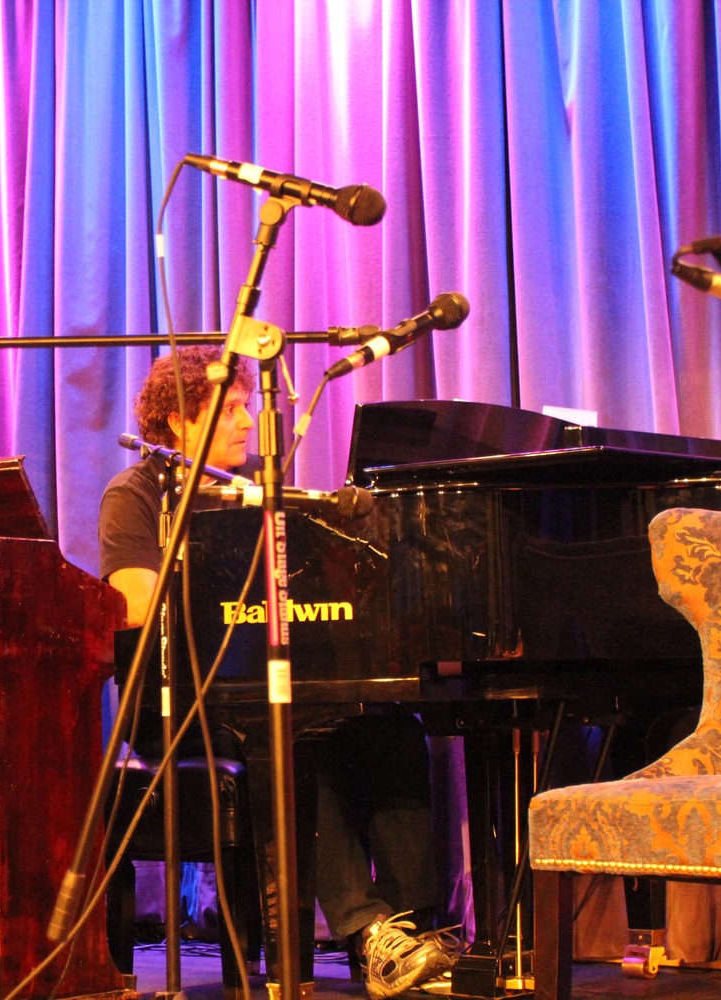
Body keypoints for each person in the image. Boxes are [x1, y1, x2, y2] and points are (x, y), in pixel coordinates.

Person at [96, 346, 456, 1000]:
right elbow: (138, 605)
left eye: (246, 405)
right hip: (178, 705)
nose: (247, 420)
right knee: (295, 738)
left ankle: (414, 935)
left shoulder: (257, 495)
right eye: (230, 408)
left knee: (390, 729)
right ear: (178, 422)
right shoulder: (136, 494)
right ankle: (368, 930)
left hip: (265, 684)